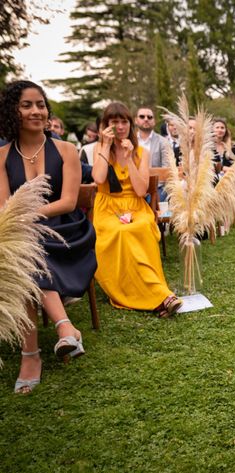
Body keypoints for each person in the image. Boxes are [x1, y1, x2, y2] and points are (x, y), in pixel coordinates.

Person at [0, 80, 97, 394]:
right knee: (23, 253)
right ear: (12, 111)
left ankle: (31, 356)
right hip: (24, 236)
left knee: (24, 253)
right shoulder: (1, 156)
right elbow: (4, 206)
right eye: (27, 105)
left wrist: (24, 216)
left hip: (67, 233)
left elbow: (68, 202)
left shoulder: (67, 150)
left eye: (40, 104)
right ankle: (65, 327)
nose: (36, 111)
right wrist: (19, 222)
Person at [92, 101, 181, 317]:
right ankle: (159, 297)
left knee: (139, 228)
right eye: (114, 122)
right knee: (119, 231)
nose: (120, 127)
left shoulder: (142, 151)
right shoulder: (99, 149)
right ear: (106, 125)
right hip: (108, 207)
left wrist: (129, 158)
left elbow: (141, 190)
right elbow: (99, 178)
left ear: (130, 125)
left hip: (135, 205)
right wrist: (105, 146)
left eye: (124, 122)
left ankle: (157, 294)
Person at [135, 106, 172, 200]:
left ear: (154, 121)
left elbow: (166, 170)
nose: (146, 119)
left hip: (157, 188)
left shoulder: (163, 142)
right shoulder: (129, 141)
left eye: (150, 117)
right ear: (136, 120)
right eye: (142, 116)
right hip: (132, 188)